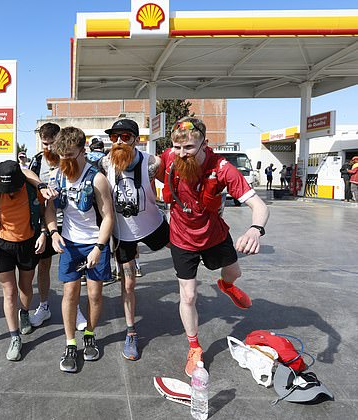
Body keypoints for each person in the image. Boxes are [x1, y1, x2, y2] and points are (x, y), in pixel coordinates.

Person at [156, 116, 269, 377]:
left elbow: (259, 206)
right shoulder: (169, 159)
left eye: (189, 148)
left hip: (215, 237)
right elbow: (142, 165)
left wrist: (255, 229)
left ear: (204, 144)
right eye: (177, 147)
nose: (181, 154)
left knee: (234, 273)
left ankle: (226, 285)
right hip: (182, 239)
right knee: (188, 295)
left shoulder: (222, 168)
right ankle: (194, 347)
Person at [45, 126, 114, 373]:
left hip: (95, 243)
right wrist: (53, 233)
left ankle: (90, 334)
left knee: (95, 295)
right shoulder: (57, 176)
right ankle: (70, 343)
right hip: (69, 243)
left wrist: (99, 247)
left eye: (70, 157)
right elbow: (50, 209)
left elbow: (108, 217)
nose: (65, 163)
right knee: (69, 294)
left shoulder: (97, 179)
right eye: (61, 158)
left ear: (82, 152)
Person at [101, 118, 170, 361]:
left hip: (153, 225)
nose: (119, 141)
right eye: (114, 137)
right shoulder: (104, 163)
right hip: (123, 234)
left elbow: (177, 185)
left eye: (125, 136)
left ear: (136, 140)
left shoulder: (152, 163)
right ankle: (131, 332)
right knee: (128, 283)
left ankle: (190, 306)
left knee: (184, 255)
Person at [28, 122, 88, 331]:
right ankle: (44, 306)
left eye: (51, 144)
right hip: (47, 223)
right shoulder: (37, 162)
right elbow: (27, 178)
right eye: (44, 144)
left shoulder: (72, 158)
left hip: (72, 222)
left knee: (73, 270)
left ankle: (75, 307)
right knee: (43, 266)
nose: (48, 148)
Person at [0, 160, 47, 361]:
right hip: (1, 244)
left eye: (13, 188)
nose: (9, 192)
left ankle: (24, 312)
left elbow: (44, 212)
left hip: (28, 243)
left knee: (25, 287)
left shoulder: (32, 189)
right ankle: (14, 337)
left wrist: (43, 233)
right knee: (9, 292)